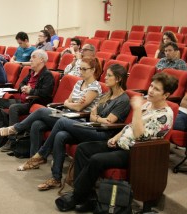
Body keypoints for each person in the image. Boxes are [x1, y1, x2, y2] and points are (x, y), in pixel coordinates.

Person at [54, 72, 178, 212]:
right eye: (151, 86)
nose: (150, 90)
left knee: (96, 159)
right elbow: (130, 126)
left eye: (156, 89)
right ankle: (87, 196)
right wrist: (117, 137)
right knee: (83, 148)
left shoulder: (165, 115)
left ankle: (76, 196)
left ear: (166, 95)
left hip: (136, 152)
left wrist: (137, 109)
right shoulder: (148, 104)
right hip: (121, 144)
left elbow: (139, 136)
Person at [34, 64, 131, 191]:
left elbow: (109, 122)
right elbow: (92, 115)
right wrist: (97, 118)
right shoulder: (107, 94)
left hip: (103, 134)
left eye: (109, 75)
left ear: (118, 79)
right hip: (92, 127)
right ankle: (56, 178)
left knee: (62, 122)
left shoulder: (123, 100)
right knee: (60, 135)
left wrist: (96, 118)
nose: (105, 78)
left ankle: (42, 154)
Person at [0, 56, 103, 160]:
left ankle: (15, 129)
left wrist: (70, 104)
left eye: (84, 69)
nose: (80, 71)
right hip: (65, 113)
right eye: (80, 68)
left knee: (41, 110)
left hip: (77, 120)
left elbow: (79, 107)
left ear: (93, 70)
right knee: (37, 124)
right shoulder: (79, 82)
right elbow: (67, 101)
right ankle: (34, 158)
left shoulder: (95, 87)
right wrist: (70, 104)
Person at [0, 49, 55, 151]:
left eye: (33, 57)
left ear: (42, 60)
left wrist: (31, 91)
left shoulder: (47, 75)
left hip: (32, 103)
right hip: (22, 101)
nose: (30, 59)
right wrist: (23, 87)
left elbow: (45, 94)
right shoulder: (31, 72)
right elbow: (21, 83)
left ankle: (12, 140)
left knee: (13, 108)